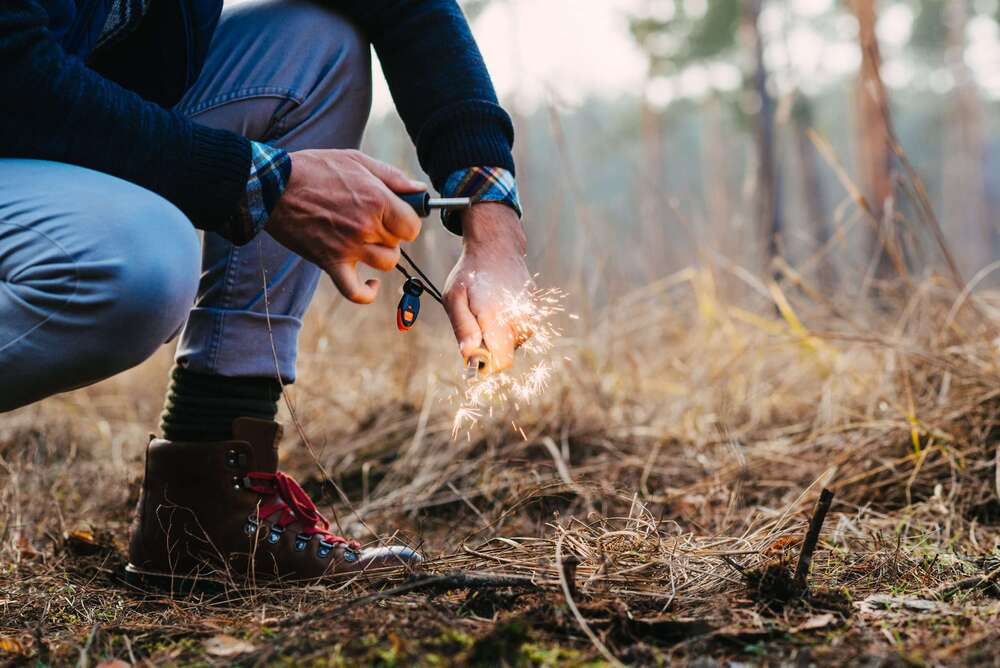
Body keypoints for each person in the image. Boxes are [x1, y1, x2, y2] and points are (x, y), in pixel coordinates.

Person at [0, 0, 531, 584]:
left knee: (316, 50)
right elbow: (13, 68)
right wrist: (257, 180)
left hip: (57, 116)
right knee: (137, 261)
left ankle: (206, 504)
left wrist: (492, 225)